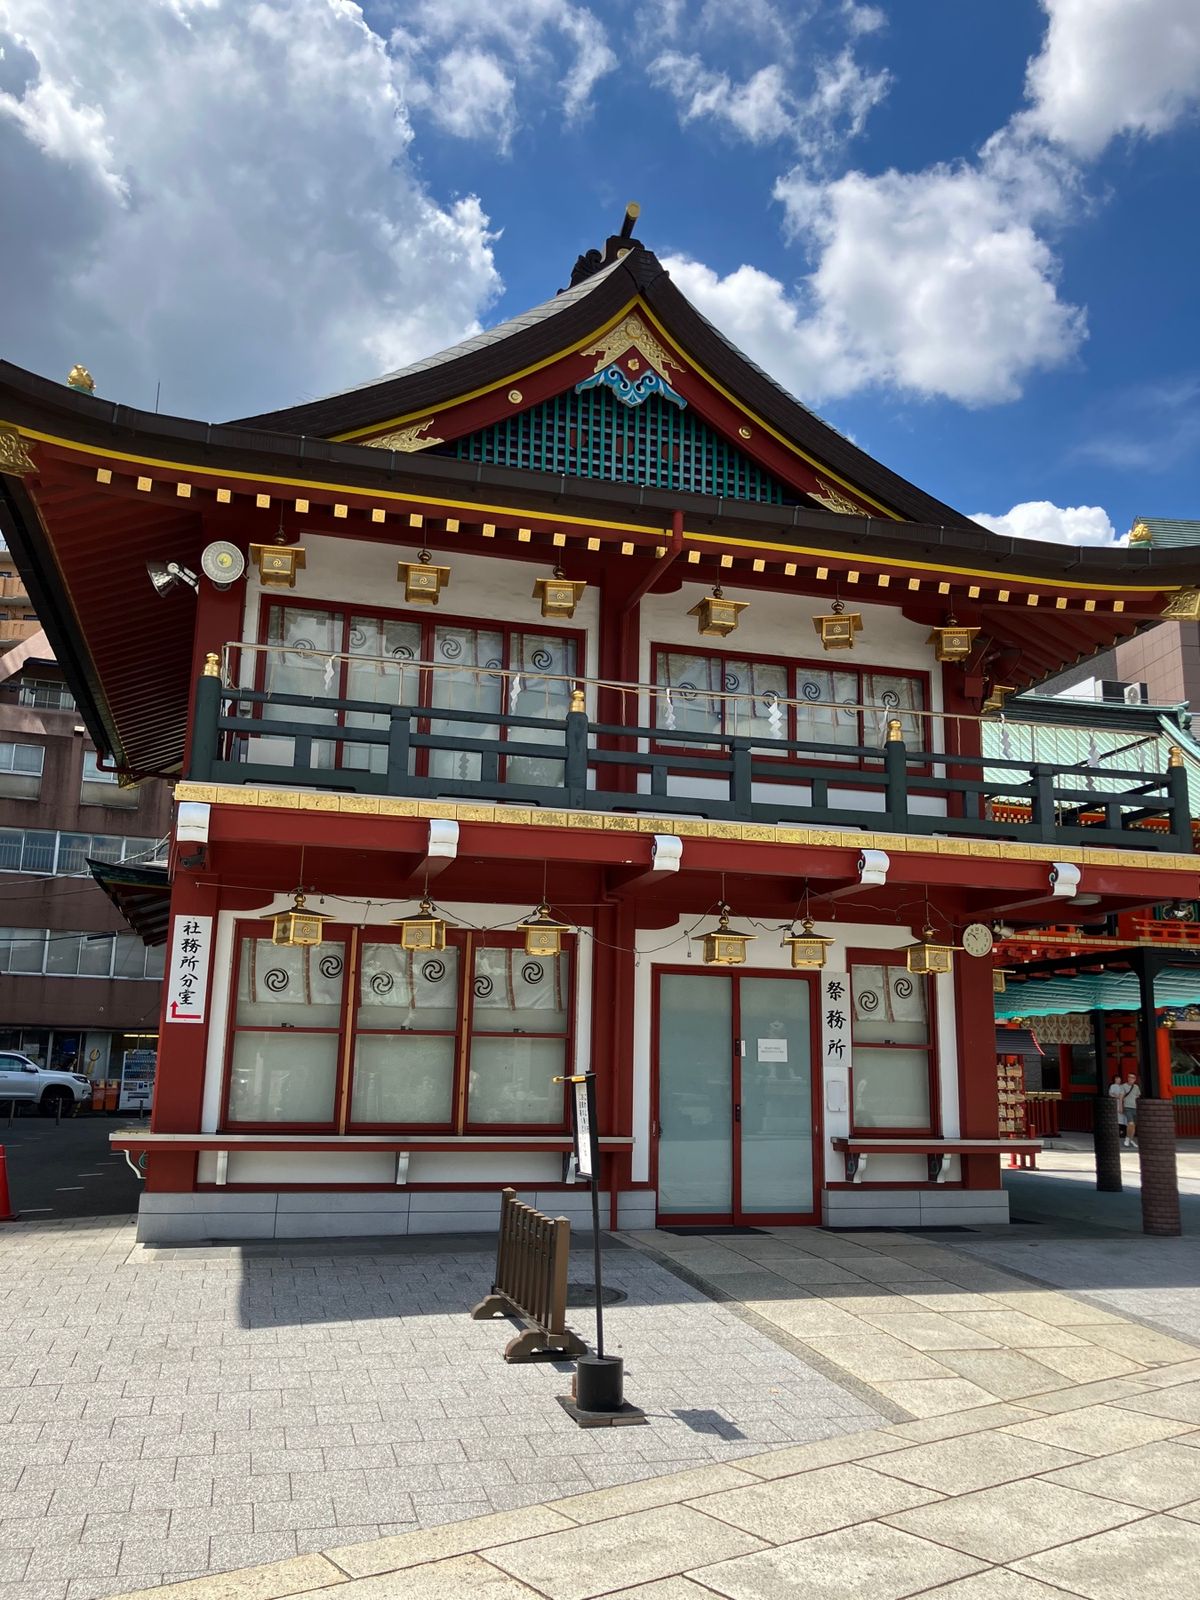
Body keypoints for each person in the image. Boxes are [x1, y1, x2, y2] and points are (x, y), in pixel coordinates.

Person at [1121, 1070, 1141, 1149]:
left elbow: (1137, 1096)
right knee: (1131, 1123)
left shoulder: (1136, 1087)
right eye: (1129, 1077)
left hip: (1134, 1107)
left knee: (1133, 1126)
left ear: (1135, 1079)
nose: (1130, 1079)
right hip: (1127, 1106)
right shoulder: (1123, 1086)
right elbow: (1121, 1097)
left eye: (1132, 1077)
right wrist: (1120, 1107)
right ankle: (1127, 1138)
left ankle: (1130, 1139)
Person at [1107, 1072, 1128, 1146]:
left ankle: (1124, 1132)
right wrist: (1118, 1097)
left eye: (1119, 1079)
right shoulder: (1113, 1086)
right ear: (1115, 1080)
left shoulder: (1123, 1086)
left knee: (1124, 1118)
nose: (1119, 1080)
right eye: (1117, 1079)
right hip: (1117, 1102)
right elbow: (1111, 1094)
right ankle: (1119, 1131)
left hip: (1122, 1102)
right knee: (1118, 1117)